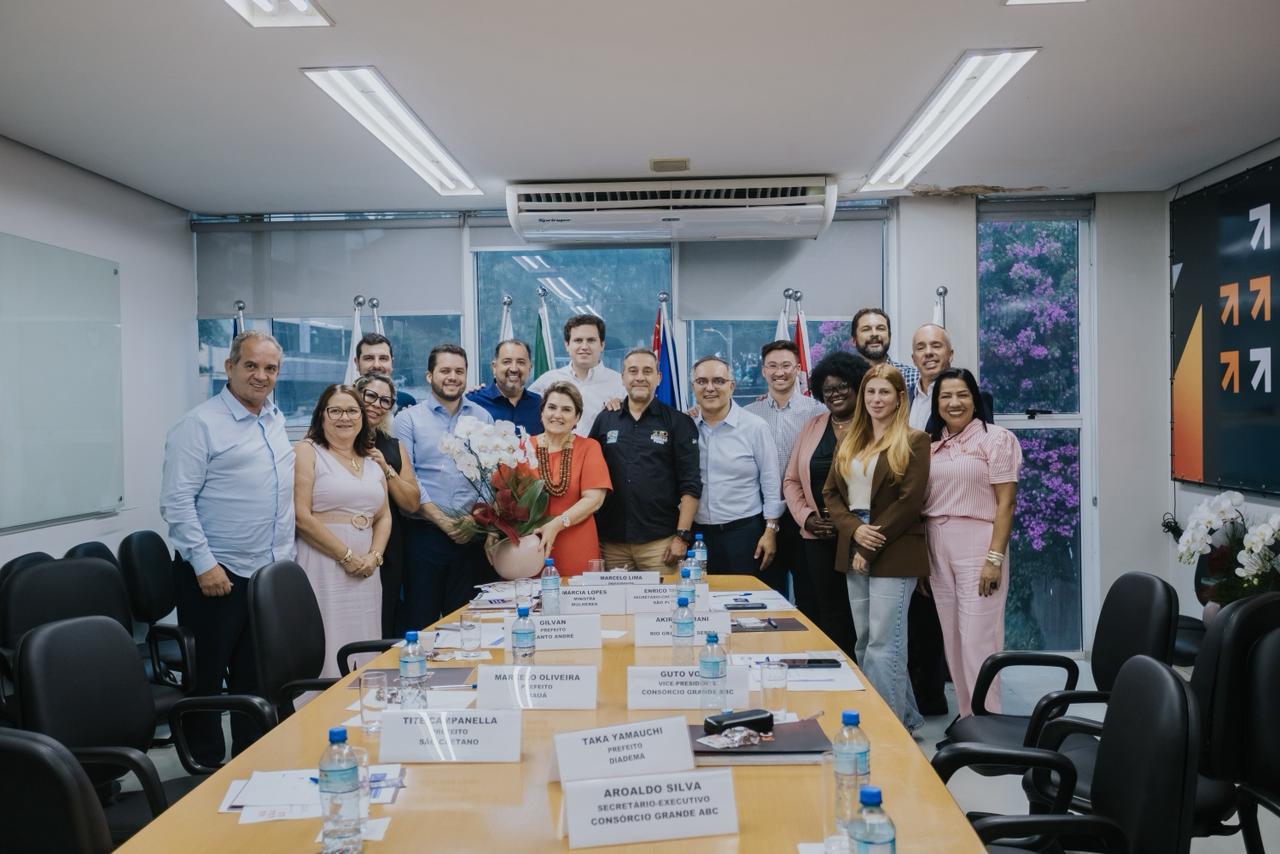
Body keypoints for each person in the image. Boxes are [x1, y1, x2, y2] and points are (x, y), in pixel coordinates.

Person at [159, 330, 294, 764]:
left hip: (263, 574)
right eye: (251, 365)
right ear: (229, 366)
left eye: (270, 368)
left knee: (255, 678)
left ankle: (249, 761)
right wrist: (204, 564)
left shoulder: (274, 418)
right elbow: (177, 502)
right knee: (207, 678)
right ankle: (205, 766)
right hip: (216, 573)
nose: (261, 375)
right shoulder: (199, 425)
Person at [822, 363, 929, 732]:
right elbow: (831, 494)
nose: (876, 399)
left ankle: (886, 730)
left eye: (884, 392)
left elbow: (909, 503)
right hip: (855, 537)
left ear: (900, 398)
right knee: (866, 642)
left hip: (894, 547)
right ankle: (907, 720)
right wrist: (855, 530)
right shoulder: (850, 440)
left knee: (886, 644)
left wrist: (867, 546)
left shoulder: (915, 440)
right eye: (871, 391)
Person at [923, 367, 1022, 718]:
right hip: (937, 545)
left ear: (975, 400)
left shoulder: (996, 439)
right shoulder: (930, 445)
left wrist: (994, 559)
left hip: (978, 545)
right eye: (946, 396)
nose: (954, 402)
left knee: (978, 640)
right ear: (936, 403)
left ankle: (988, 722)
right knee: (952, 640)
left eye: (962, 394)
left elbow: (1006, 504)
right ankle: (968, 720)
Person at [394, 344, 495, 628]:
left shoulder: (483, 417)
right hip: (424, 536)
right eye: (445, 370)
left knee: (467, 622)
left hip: (470, 536)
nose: (452, 377)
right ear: (430, 375)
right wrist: (443, 522)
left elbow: (490, 475)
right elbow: (409, 477)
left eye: (459, 371)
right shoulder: (408, 419)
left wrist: (477, 518)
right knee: (421, 622)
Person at [293, 385, 390, 678]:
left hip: (367, 571)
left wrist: (374, 556)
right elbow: (301, 516)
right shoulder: (307, 451)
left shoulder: (371, 460)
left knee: (363, 639)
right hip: (323, 562)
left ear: (362, 416)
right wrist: (346, 556)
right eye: (335, 411)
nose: (344, 418)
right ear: (321, 416)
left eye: (352, 411)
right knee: (326, 638)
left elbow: (383, 516)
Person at [783, 351, 870, 660]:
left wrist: (853, 526)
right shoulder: (812, 426)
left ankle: (865, 680)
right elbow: (791, 480)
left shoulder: (874, 425)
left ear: (858, 386)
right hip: (818, 536)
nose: (835, 394)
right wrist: (806, 518)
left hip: (861, 537)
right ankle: (837, 673)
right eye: (828, 389)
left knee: (864, 615)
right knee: (828, 612)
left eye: (843, 386)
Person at [590, 348, 701, 571]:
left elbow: (691, 484)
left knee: (665, 596)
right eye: (633, 371)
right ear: (623, 378)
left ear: (658, 378)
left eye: (647, 371)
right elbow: (590, 475)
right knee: (614, 597)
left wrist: (682, 536)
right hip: (612, 544)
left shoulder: (678, 422)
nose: (640, 377)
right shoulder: (605, 420)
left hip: (661, 544)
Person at [745, 340, 826, 609]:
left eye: (786, 365)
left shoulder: (818, 412)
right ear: (763, 371)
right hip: (762, 516)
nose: (779, 372)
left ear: (798, 370)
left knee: (810, 594)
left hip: (803, 514)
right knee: (767, 595)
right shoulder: (748, 414)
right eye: (772, 366)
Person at [690, 356, 783, 575]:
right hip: (697, 536)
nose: (710, 388)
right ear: (693, 387)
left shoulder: (755, 427)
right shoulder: (685, 426)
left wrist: (770, 531)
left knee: (743, 595)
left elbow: (771, 482)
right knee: (699, 593)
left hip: (744, 534)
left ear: (731, 386)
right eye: (702, 381)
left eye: (718, 381)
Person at [905, 323, 954, 716]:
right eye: (921, 347)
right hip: (909, 516)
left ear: (950, 353)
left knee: (942, 612)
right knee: (917, 610)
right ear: (913, 357)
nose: (929, 352)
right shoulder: (904, 399)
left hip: (946, 515)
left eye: (936, 345)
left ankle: (936, 697)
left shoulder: (963, 396)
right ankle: (919, 694)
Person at [354, 372, 422, 637]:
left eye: (385, 401)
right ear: (356, 394)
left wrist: (386, 468)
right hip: (344, 539)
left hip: (389, 547)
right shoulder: (335, 440)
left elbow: (412, 503)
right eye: (371, 396)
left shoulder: (393, 446)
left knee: (384, 618)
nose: (376, 405)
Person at [521, 382, 612, 575]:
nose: (557, 415)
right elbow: (503, 497)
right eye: (552, 407)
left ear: (577, 417)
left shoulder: (589, 447)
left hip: (576, 545)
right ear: (542, 412)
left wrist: (556, 524)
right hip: (530, 548)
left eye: (566, 409)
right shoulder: (523, 447)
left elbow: (594, 500)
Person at [529, 314, 625, 436]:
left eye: (591, 340)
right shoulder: (548, 380)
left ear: (602, 345)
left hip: (603, 448)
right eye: (578, 340)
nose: (584, 346)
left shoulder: (620, 383)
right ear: (567, 345)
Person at [467, 338, 543, 435]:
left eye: (521, 362)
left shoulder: (540, 405)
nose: (514, 369)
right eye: (507, 362)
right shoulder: (473, 402)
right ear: (494, 367)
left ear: (529, 368)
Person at [850, 308, 919, 394]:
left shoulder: (914, 378)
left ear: (889, 336)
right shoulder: (846, 380)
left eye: (880, 328)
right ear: (854, 340)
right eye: (866, 329)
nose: (874, 334)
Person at [353, 332, 416, 411]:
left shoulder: (406, 403)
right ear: (357, 363)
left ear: (392, 363)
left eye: (383, 358)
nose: (376, 365)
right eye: (369, 358)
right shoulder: (342, 401)